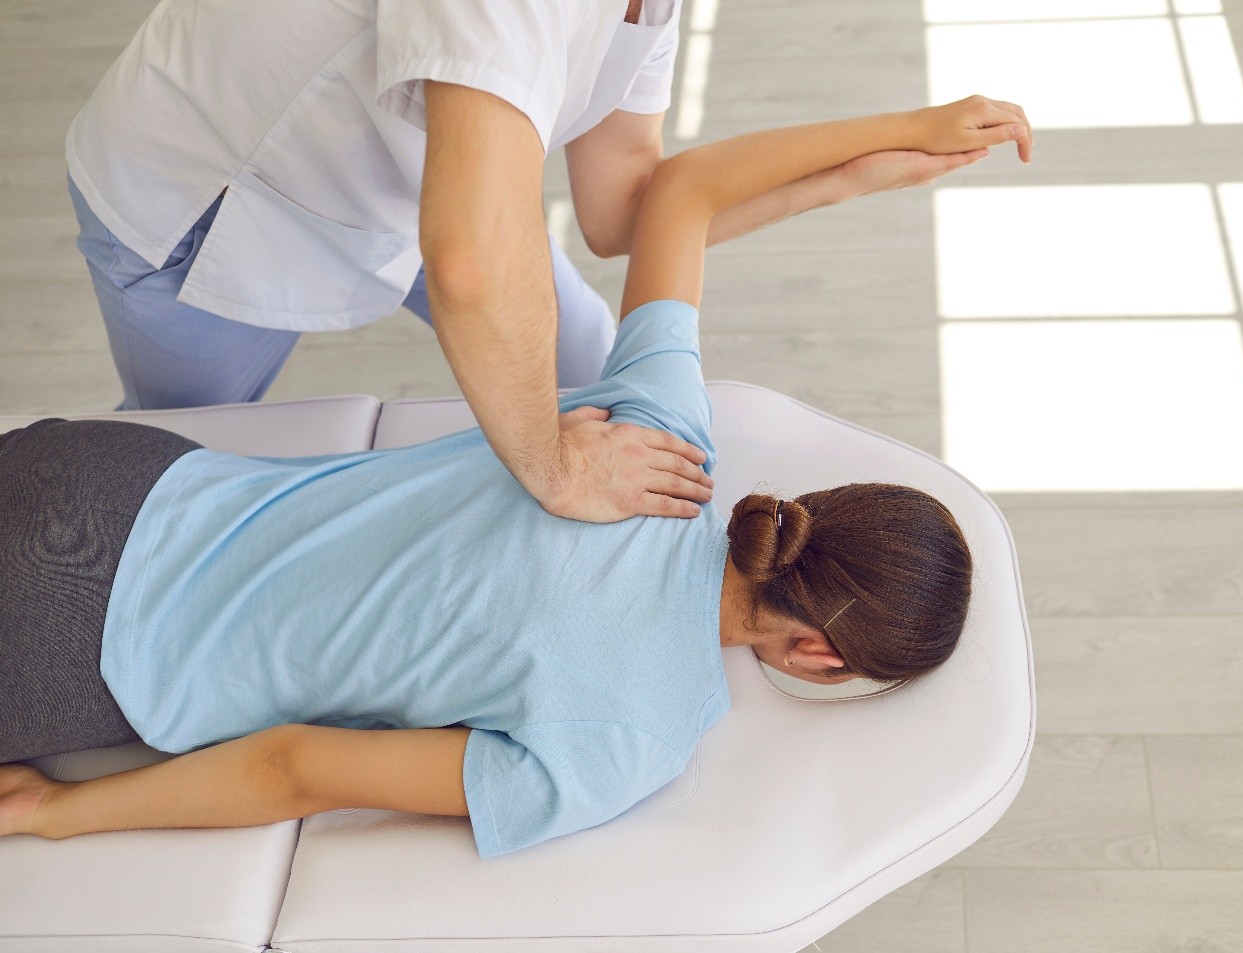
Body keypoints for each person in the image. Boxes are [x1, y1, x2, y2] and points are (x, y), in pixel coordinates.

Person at [1, 94, 1031, 856]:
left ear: (809, 512)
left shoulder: (660, 445)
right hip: (68, 650)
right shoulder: (627, 740)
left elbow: (683, 189)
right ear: (815, 654)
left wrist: (905, 132)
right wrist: (58, 810)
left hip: (114, 476)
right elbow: (295, 766)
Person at [67, 0, 1012, 524]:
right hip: (221, 195)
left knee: (602, 374)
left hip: (419, 178)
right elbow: (472, 260)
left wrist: (867, 163)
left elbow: (628, 207)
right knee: (177, 460)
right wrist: (556, 467)